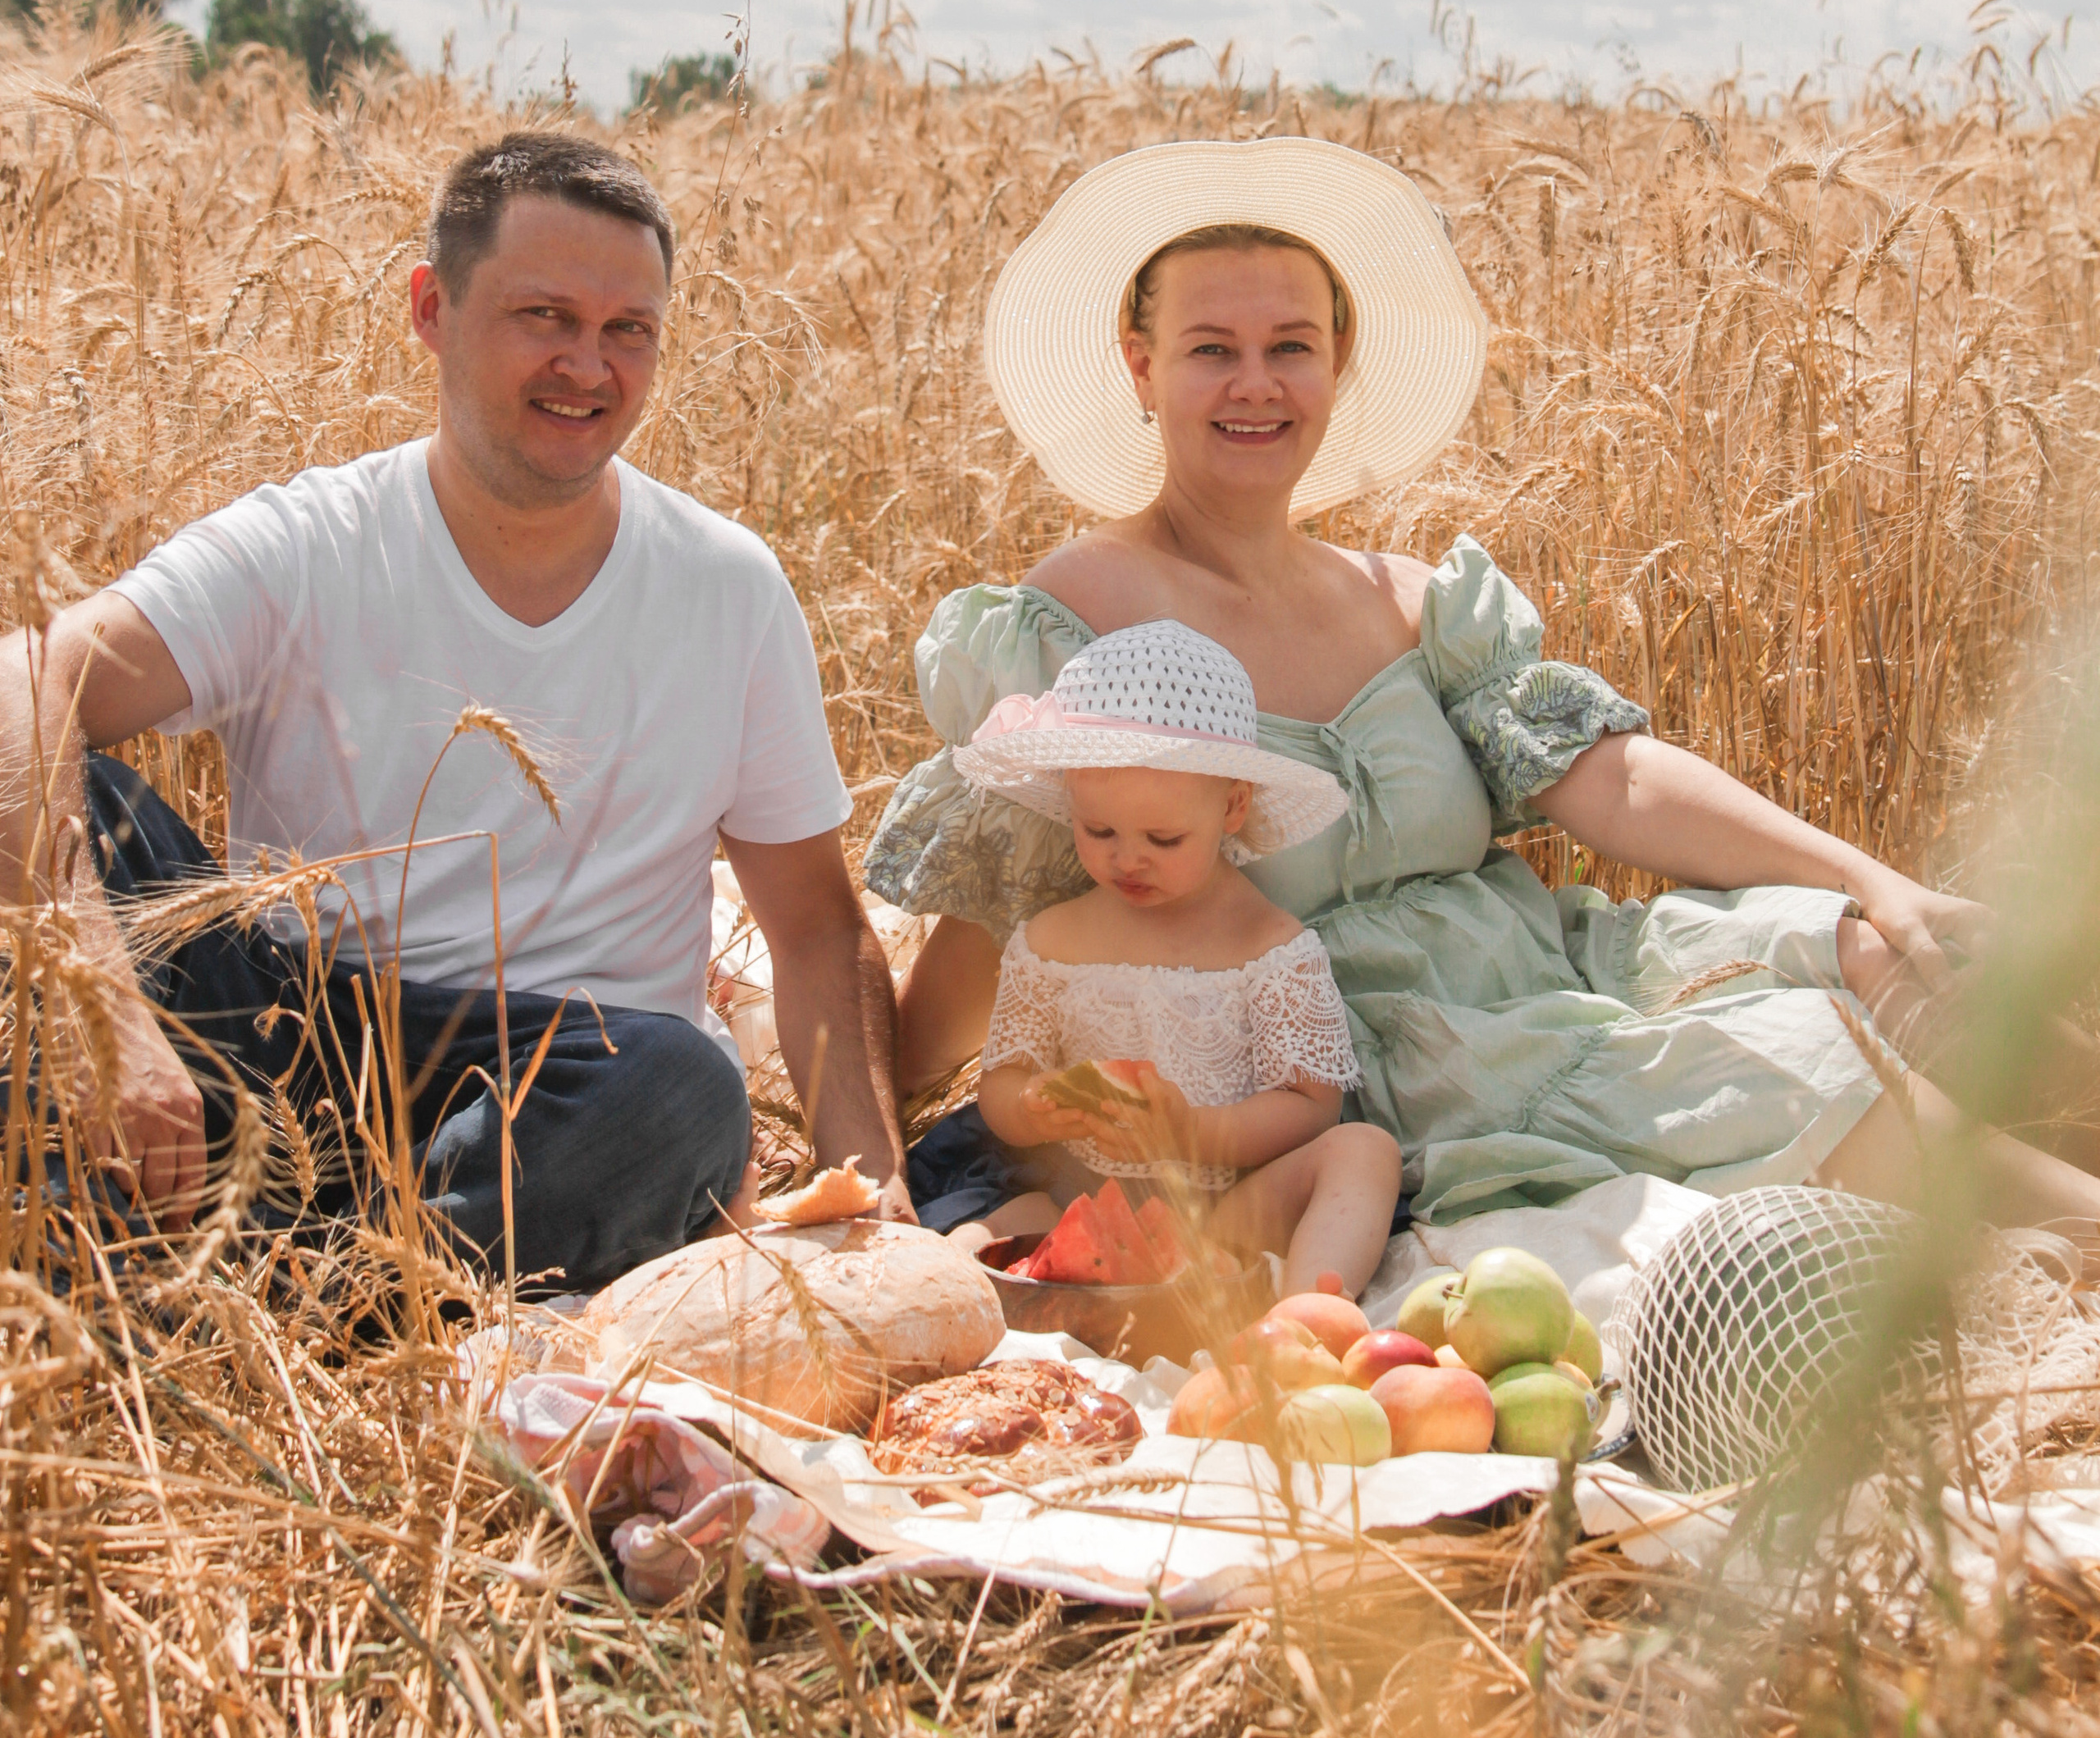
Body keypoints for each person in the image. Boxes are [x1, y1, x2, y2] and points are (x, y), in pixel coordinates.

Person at [867, 135, 2100, 1239]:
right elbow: (1016, 888)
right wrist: (878, 1106)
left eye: (1291, 345)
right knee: (1799, 1062)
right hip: (1401, 1043)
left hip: (1546, 964)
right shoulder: (1081, 612)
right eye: (1211, 350)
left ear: (1338, 360)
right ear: (1140, 368)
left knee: (1882, 955)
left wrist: (1876, 882)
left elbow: (1610, 778)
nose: (1258, 383)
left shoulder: (1414, 598)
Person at [0, 129, 911, 1289]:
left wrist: (877, 1192)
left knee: (685, 1090)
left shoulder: (726, 587)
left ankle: (277, 1291)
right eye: (545, 316)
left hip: (565, 1082)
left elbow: (818, 929)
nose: (589, 365)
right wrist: (109, 1024)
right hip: (283, 1036)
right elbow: (25, 679)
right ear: (432, 308)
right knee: (73, 801)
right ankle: (309, 1282)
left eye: (627, 330)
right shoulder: (309, 544)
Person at [958, 618, 1401, 1298]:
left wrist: (1194, 1133)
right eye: (1097, 830)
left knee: (1365, 1154)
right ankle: (958, 1292)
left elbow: (1311, 1105)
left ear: (1232, 806)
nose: (1126, 858)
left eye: (1163, 838)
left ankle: (1313, 1312)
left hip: (1227, 1207)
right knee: (986, 1227)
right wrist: (1031, 1105)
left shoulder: (1271, 947)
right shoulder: (1051, 941)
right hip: (1077, 1194)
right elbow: (1001, 1078)